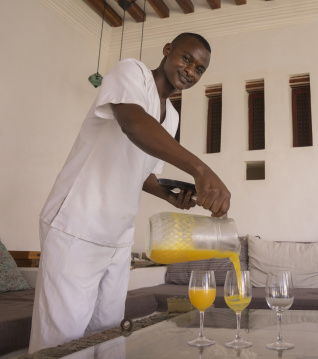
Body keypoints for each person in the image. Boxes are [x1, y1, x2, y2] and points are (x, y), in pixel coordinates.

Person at [29, 33, 230, 353]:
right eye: (186, 59)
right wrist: (201, 170)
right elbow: (133, 124)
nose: (191, 71)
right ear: (167, 51)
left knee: (108, 338)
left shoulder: (172, 117)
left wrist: (167, 193)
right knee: (64, 344)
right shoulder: (131, 72)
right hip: (77, 225)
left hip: (117, 236)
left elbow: (141, 172)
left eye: (200, 69)